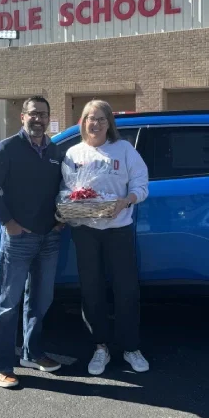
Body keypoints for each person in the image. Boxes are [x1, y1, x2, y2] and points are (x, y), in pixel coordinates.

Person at [0, 96, 64, 388]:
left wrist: (61, 218)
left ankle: (33, 352)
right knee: (8, 303)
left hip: (49, 237)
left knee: (41, 300)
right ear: (23, 117)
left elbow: (62, 189)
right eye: (33, 114)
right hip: (19, 240)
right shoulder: (7, 149)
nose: (38, 119)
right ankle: (1, 364)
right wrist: (9, 223)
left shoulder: (55, 151)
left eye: (43, 114)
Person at [63, 100, 150, 375]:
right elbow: (64, 190)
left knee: (126, 289)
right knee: (92, 290)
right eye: (90, 118)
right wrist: (69, 205)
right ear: (83, 122)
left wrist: (127, 200)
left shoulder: (124, 150)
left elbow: (141, 184)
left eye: (101, 119)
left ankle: (130, 347)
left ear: (109, 123)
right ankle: (100, 347)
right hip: (85, 230)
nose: (95, 124)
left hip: (118, 228)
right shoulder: (72, 153)